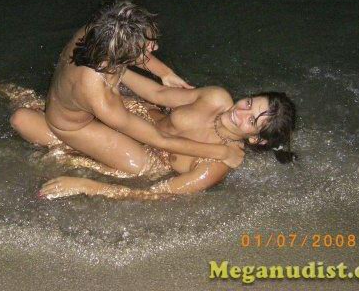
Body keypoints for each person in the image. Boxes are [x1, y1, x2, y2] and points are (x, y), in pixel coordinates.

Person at [9, 0, 246, 178]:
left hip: (74, 99)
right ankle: (70, 152)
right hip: (73, 126)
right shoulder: (100, 96)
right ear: (122, 55)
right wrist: (222, 153)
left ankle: (33, 116)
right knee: (144, 167)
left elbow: (128, 47)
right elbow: (160, 139)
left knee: (139, 112)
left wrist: (163, 72)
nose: (155, 48)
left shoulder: (95, 34)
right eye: (148, 47)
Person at [37, 69, 297, 199]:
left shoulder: (214, 167)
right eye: (249, 103)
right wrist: (116, 68)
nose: (240, 111)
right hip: (137, 116)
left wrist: (86, 186)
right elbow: (158, 94)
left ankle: (76, 150)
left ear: (256, 139)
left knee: (24, 120)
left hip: (138, 158)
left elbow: (154, 195)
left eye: (251, 120)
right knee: (42, 105)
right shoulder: (217, 98)